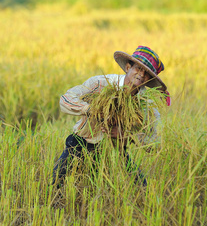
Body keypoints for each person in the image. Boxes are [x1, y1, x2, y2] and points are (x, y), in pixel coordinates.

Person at [52, 46, 169, 188]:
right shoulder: (102, 84)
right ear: (127, 67)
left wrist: (128, 136)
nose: (141, 74)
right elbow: (65, 100)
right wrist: (90, 110)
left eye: (147, 73)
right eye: (138, 68)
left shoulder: (147, 104)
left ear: (149, 79)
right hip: (83, 142)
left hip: (116, 151)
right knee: (58, 182)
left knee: (140, 187)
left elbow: (155, 143)